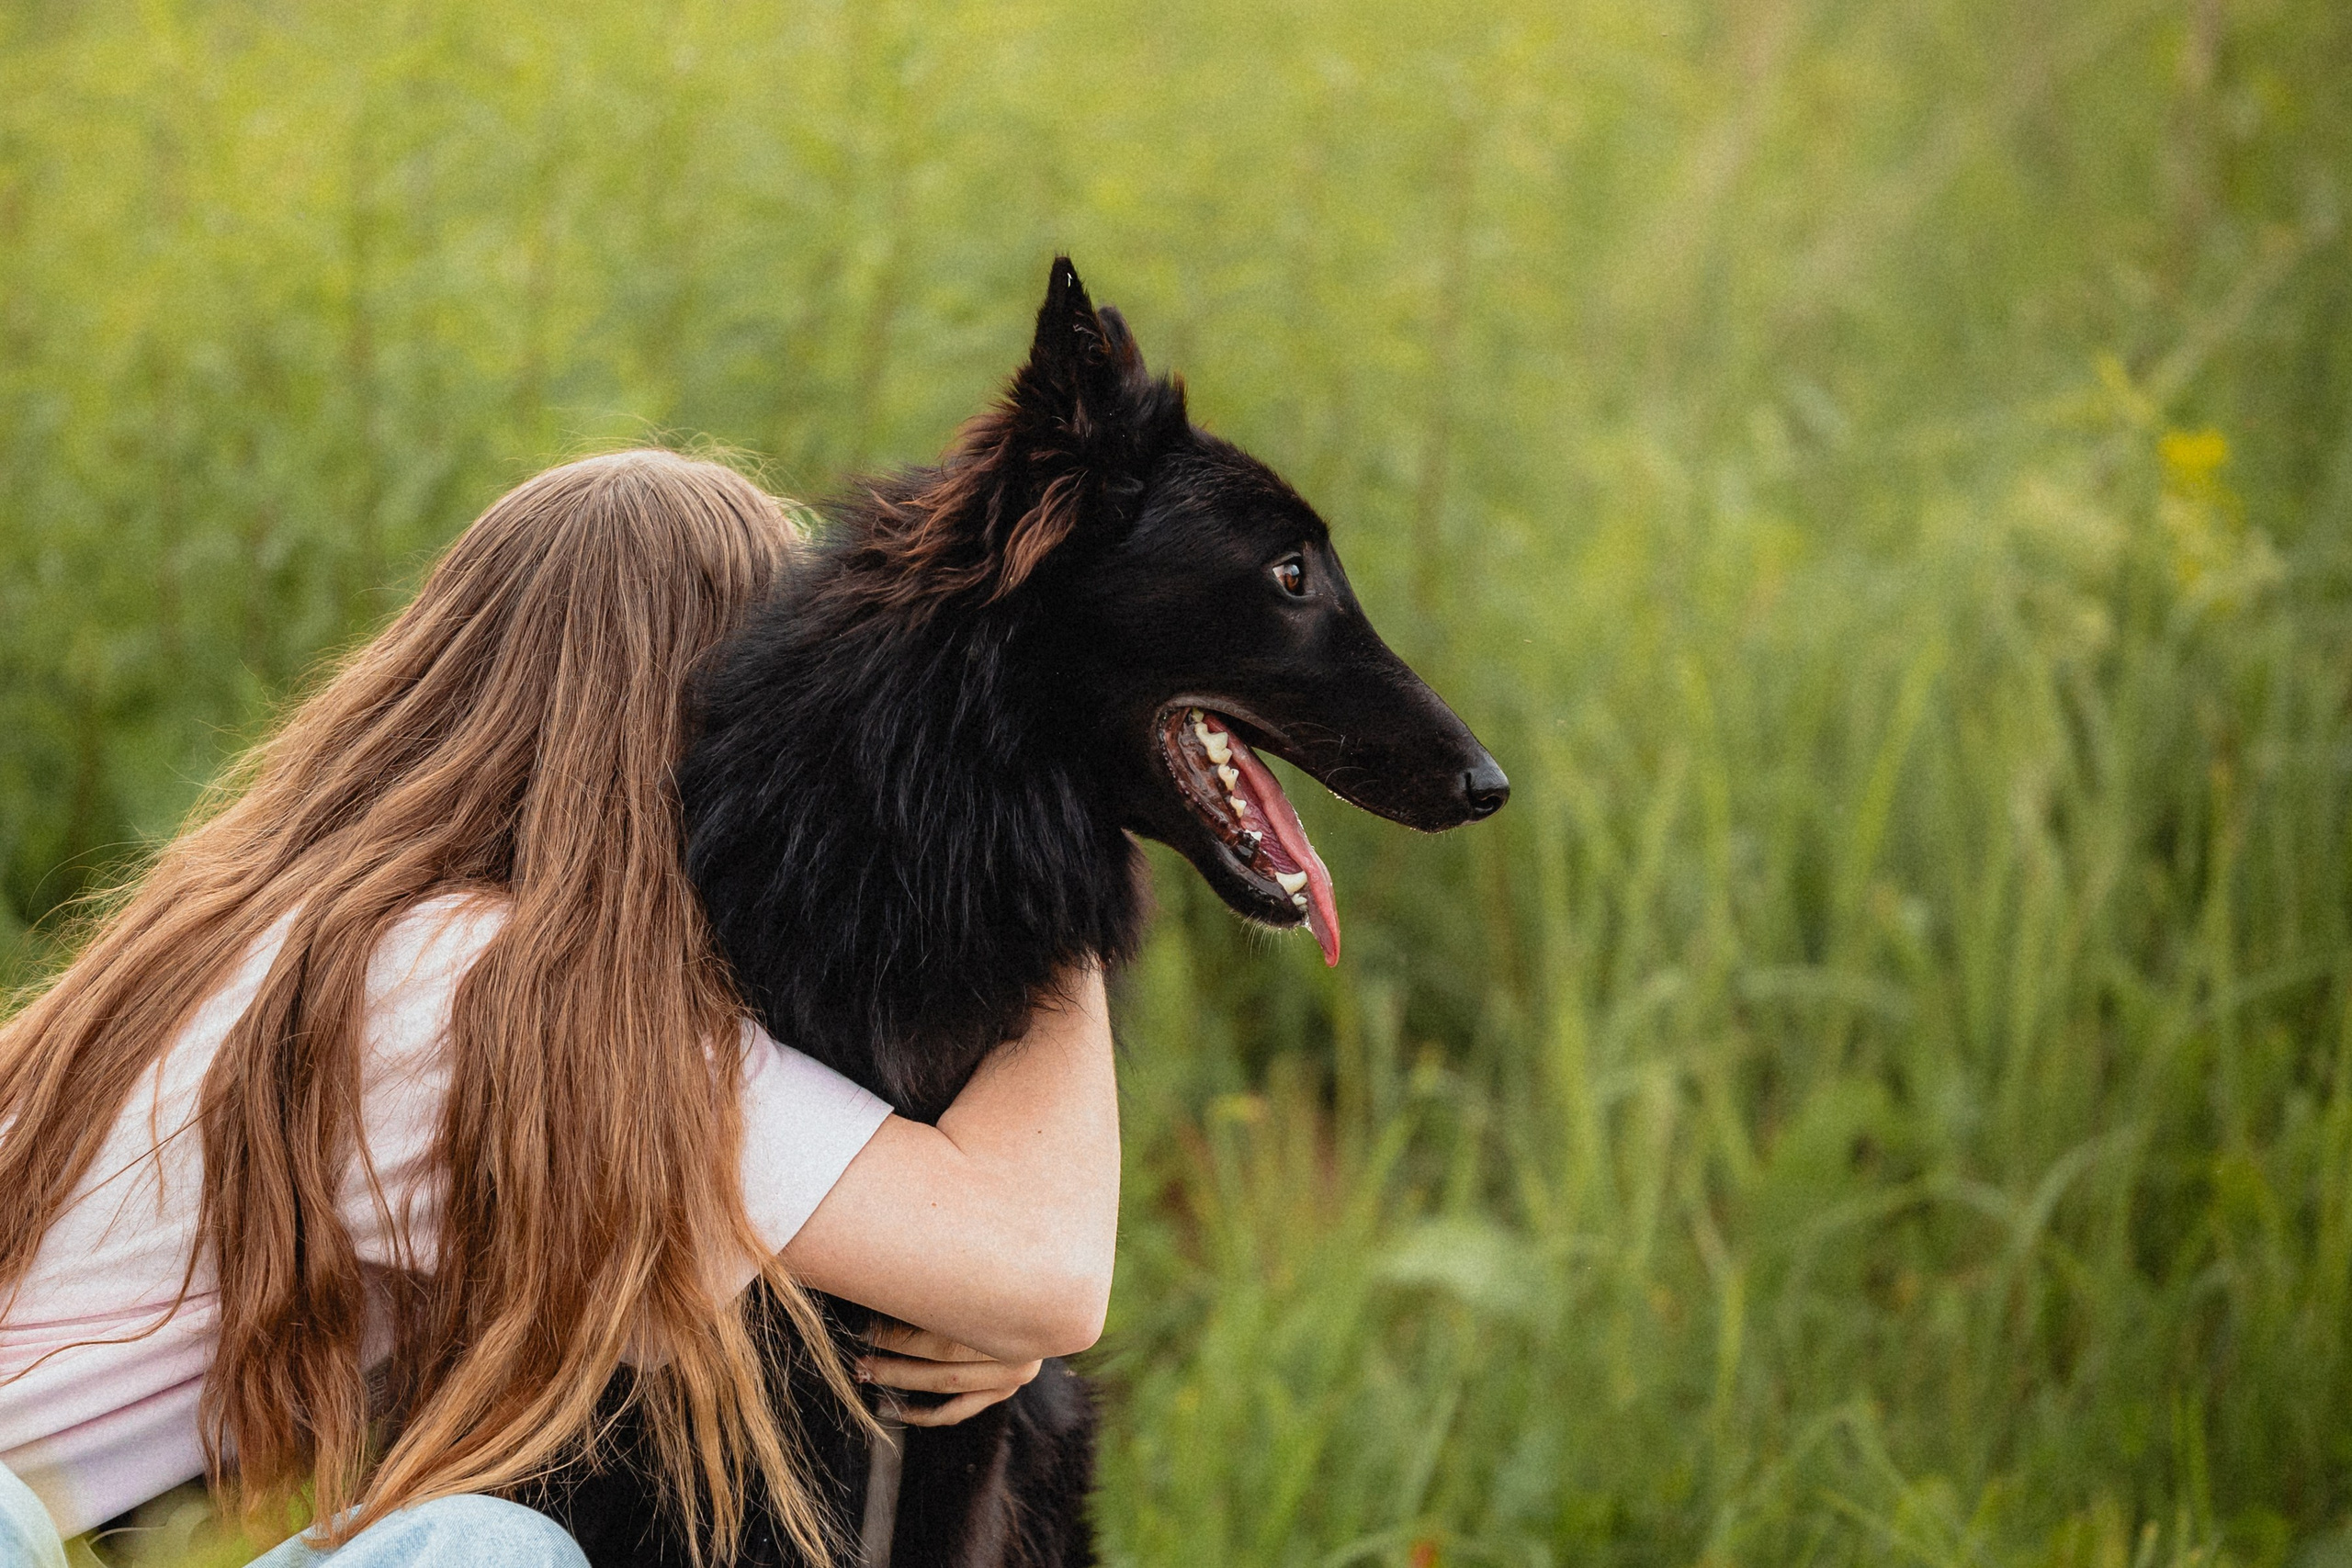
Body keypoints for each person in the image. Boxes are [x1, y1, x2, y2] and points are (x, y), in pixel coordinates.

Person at [0, 451, 1122, 1566]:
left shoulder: (288, 926)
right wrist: (1053, 820)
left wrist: (974, 1312)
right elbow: (1043, 1269)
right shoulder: (472, 992)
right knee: (492, 1556)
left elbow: (656, 1325)